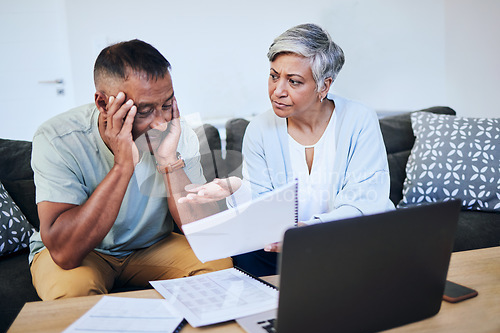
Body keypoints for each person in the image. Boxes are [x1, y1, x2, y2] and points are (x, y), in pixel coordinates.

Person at [180, 24, 394, 276]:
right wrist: (238, 187)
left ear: (324, 86)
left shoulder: (359, 119)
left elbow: (364, 202)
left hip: (346, 241)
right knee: (246, 255)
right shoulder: (259, 129)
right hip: (284, 248)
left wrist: (308, 232)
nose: (277, 91)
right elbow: (263, 204)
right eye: (273, 76)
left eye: (294, 81)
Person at [29, 39, 232, 301]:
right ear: (103, 104)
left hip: (151, 247)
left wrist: (170, 160)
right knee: (73, 294)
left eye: (167, 105)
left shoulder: (177, 132)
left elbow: (207, 236)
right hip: (87, 254)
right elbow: (65, 254)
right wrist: (123, 166)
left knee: (218, 268)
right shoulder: (57, 138)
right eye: (145, 110)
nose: (160, 123)